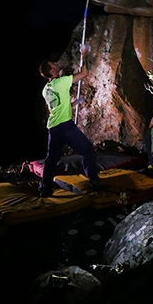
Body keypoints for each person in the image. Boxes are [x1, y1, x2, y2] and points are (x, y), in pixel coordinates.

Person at [38, 49, 103, 197]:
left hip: (53, 127)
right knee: (87, 151)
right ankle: (94, 180)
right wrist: (83, 54)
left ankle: (45, 189)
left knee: (51, 160)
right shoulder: (61, 82)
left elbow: (57, 106)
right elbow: (84, 73)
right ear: (52, 71)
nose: (56, 64)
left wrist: (73, 104)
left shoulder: (46, 89)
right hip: (65, 126)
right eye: (53, 64)